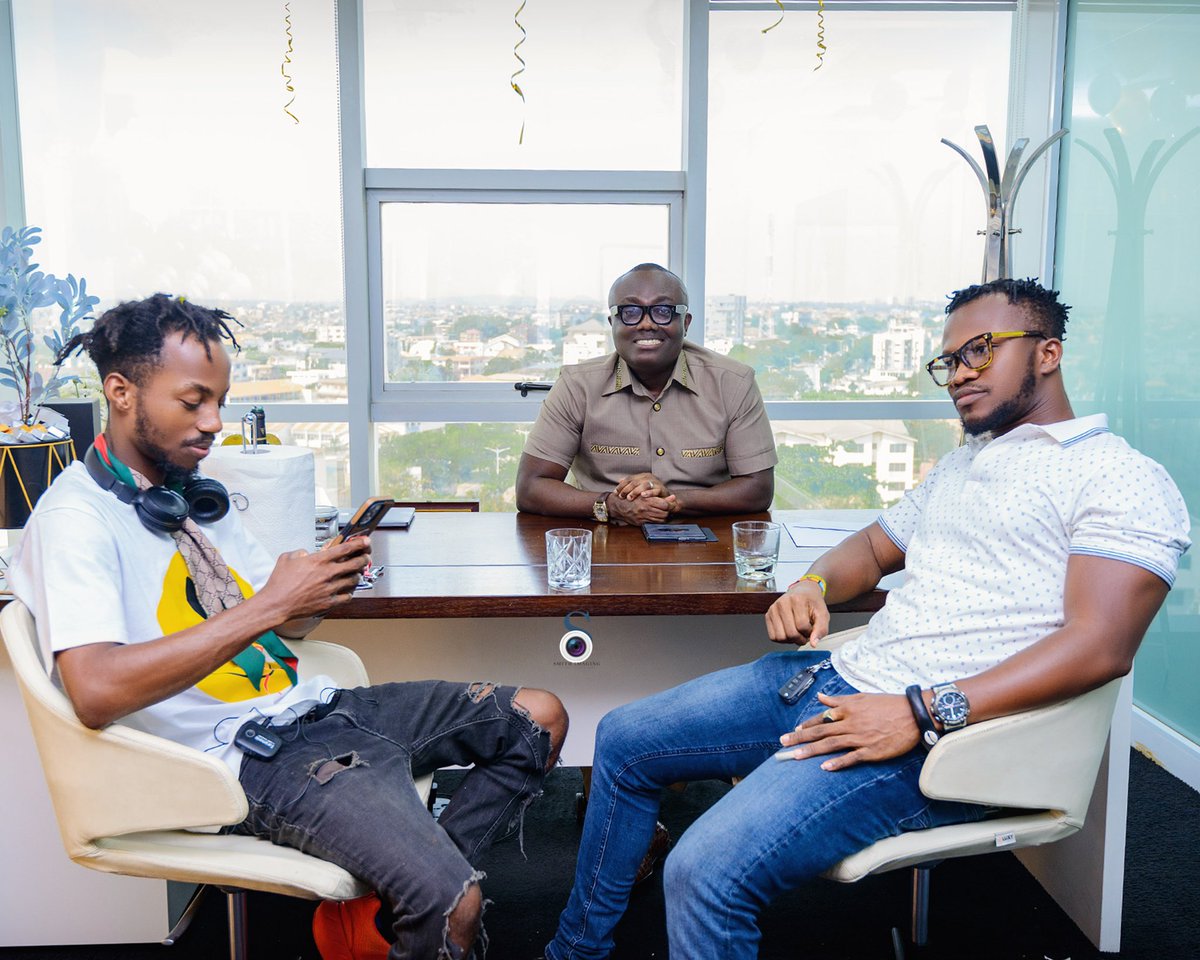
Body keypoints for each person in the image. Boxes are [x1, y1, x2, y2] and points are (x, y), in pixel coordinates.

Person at [542, 278, 1190, 960]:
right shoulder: (963, 465)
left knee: (703, 872)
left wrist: (919, 711)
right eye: (949, 360)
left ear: (1048, 353)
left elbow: (1100, 646)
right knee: (623, 737)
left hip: (929, 734)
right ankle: (576, 950)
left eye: (981, 351)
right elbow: (875, 550)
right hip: (832, 678)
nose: (959, 374)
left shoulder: (1116, 477)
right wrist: (813, 584)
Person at [10, 294, 568, 960]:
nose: (214, 422)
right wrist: (271, 605)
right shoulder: (76, 520)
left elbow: (287, 625)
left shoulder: (193, 496)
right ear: (121, 392)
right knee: (454, 902)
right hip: (251, 759)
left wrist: (319, 586)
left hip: (321, 709)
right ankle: (427, 897)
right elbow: (95, 692)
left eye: (220, 402)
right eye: (193, 402)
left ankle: (391, 911)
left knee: (539, 717)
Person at [516, 263, 777, 524]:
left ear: (685, 323)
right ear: (613, 323)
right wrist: (611, 505)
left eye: (663, 311)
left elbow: (758, 489)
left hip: (707, 540)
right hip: (605, 539)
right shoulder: (577, 385)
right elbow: (530, 488)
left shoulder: (732, 382)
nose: (647, 324)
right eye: (630, 312)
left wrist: (674, 500)